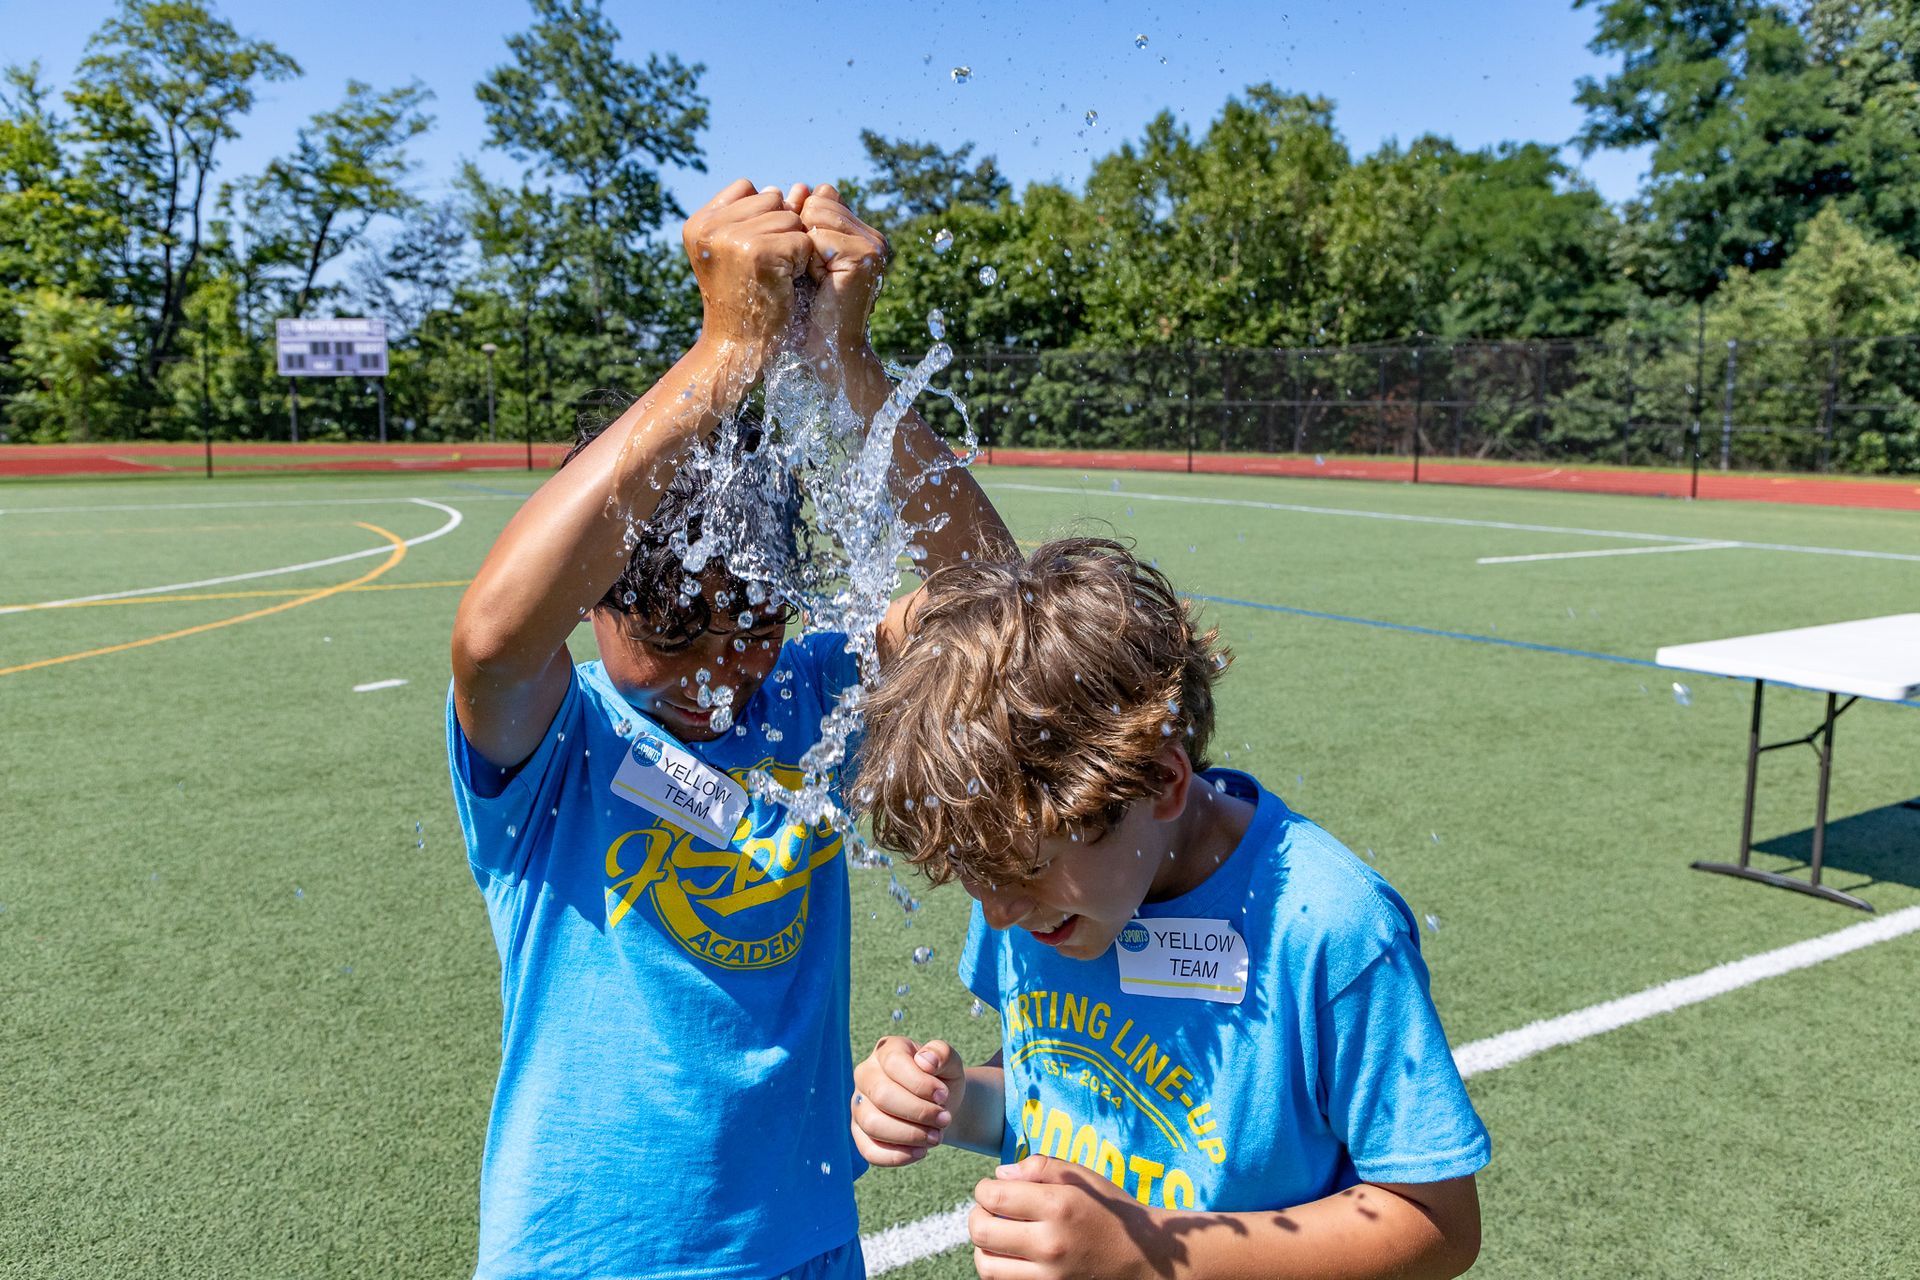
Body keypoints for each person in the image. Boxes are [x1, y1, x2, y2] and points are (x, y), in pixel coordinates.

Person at [446, 178, 1011, 1280]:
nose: (717, 674)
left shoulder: (810, 697)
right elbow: (489, 641)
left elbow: (1000, 615)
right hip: (590, 1249)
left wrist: (848, 369)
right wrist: (723, 355)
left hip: (804, 1237)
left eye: (751, 623)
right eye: (673, 633)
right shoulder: (558, 744)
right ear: (596, 598)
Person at [848, 539, 1488, 1280]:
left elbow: (1439, 1224)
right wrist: (953, 1104)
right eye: (973, 876)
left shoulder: (1331, 928)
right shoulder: (1032, 888)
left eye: (1025, 868)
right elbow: (1057, 1088)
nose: (995, 913)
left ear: (1162, 780)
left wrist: (1154, 1255)